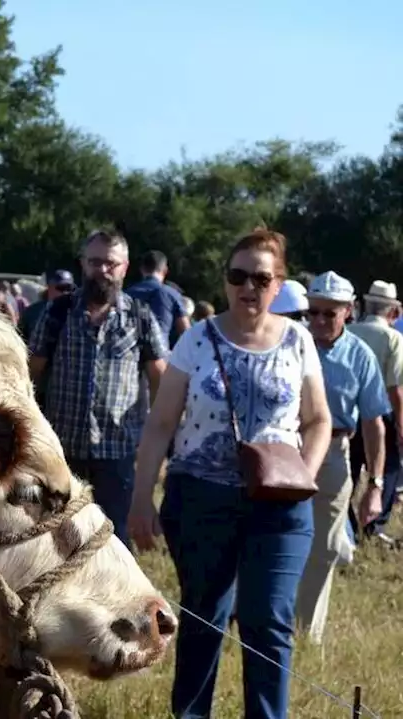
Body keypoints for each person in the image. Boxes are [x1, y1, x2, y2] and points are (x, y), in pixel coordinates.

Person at [129, 228, 332, 719]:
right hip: (200, 499)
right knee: (204, 618)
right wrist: (140, 499)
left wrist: (303, 473)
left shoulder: (298, 341)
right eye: (237, 276)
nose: (248, 287)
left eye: (261, 278)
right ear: (225, 280)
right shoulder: (196, 340)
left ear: (278, 284)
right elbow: (160, 422)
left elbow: (318, 419)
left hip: (280, 505)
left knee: (269, 621)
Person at [28, 230, 167, 545]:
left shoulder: (140, 317)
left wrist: (157, 436)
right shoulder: (58, 311)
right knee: (52, 539)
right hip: (61, 450)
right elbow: (32, 371)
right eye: (95, 262)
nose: (103, 270)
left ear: (125, 267)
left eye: (111, 263)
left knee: (114, 541)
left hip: (116, 451)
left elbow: (160, 377)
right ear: (82, 264)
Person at [295, 272, 389, 644]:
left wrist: (376, 486)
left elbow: (374, 423)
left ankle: (305, 634)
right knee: (274, 536)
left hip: (335, 453)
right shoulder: (292, 342)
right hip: (287, 448)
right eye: (313, 312)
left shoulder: (360, 356)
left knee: (327, 547)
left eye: (328, 314)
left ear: (348, 312)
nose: (318, 321)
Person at [347, 279, 403, 544]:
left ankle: (346, 524)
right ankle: (374, 526)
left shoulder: (349, 332)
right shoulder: (393, 338)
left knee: (350, 467)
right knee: (387, 468)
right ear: (393, 311)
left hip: (350, 410)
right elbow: (396, 388)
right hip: (382, 412)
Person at [127, 249, 191, 347]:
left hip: (130, 354)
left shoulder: (127, 294)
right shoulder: (172, 294)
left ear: (142, 269)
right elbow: (187, 333)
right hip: (160, 354)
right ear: (165, 270)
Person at [18, 269, 75, 338]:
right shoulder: (33, 312)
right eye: (61, 288)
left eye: (69, 288)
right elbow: (20, 338)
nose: (66, 292)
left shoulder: (77, 312)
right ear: (50, 287)